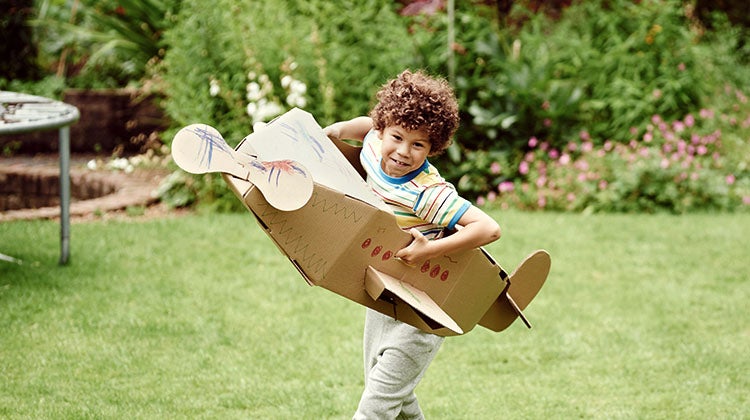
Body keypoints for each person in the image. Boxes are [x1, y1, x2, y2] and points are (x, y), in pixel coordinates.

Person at [324, 69, 501, 419]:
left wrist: (428, 250)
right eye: (397, 136)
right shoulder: (375, 145)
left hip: (427, 304)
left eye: (418, 144)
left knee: (376, 404)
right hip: (386, 289)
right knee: (395, 397)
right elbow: (366, 127)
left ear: (433, 146)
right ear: (382, 127)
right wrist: (337, 131)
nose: (403, 152)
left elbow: (488, 228)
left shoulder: (427, 192)